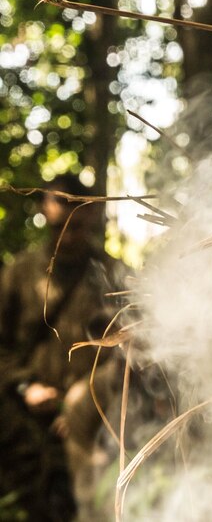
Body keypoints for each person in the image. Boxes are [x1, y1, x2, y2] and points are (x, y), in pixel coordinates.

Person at [0, 175, 119, 521]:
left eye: (77, 223)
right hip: (28, 430)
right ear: (44, 211)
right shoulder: (19, 274)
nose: (68, 232)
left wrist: (86, 402)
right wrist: (26, 387)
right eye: (60, 222)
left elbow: (130, 350)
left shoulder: (112, 276)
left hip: (95, 432)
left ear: (93, 216)